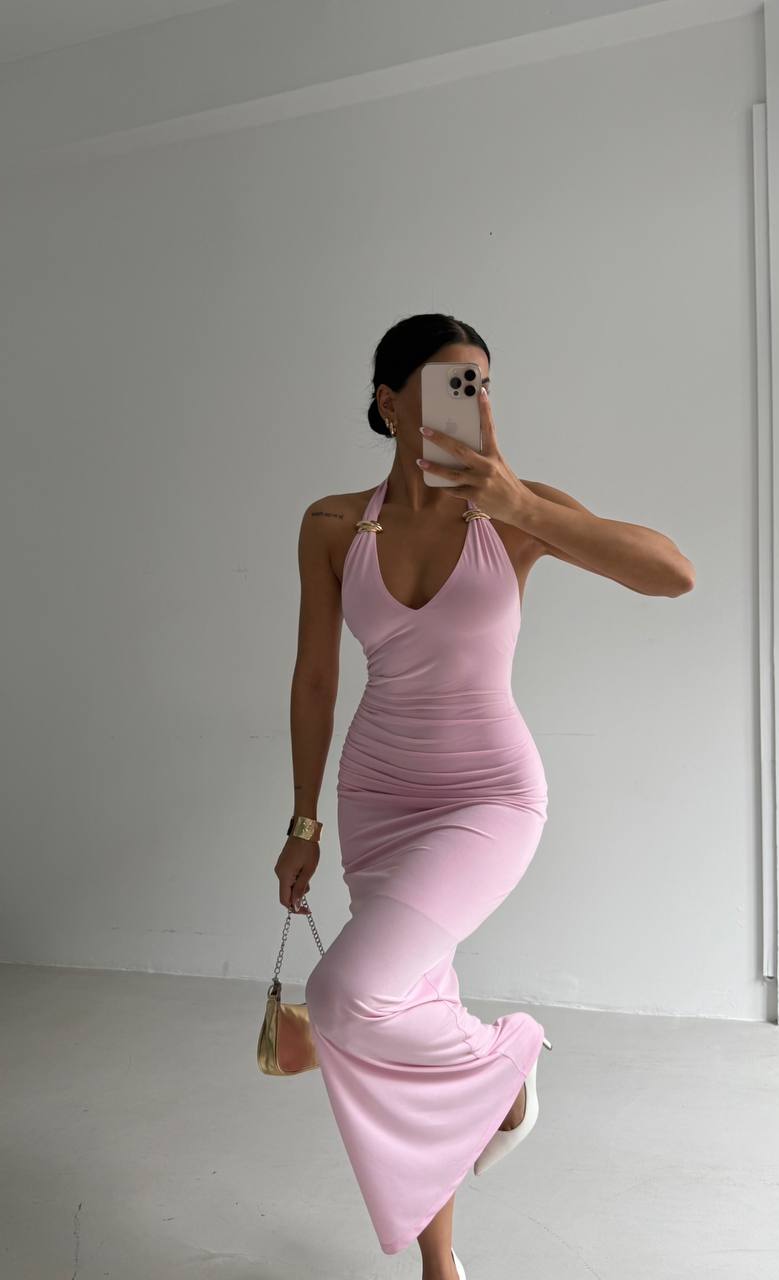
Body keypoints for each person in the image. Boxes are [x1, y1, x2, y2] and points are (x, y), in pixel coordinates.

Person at [275, 313, 694, 1278]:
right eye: (447, 384)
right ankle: (441, 1264)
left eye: (481, 385)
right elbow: (313, 680)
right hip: (378, 793)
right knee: (410, 997)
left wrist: (521, 502)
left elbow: (673, 575)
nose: (470, 402)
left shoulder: (513, 513)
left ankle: (506, 1069)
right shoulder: (333, 524)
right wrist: (303, 821)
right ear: (389, 402)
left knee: (346, 995)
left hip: (489, 795)